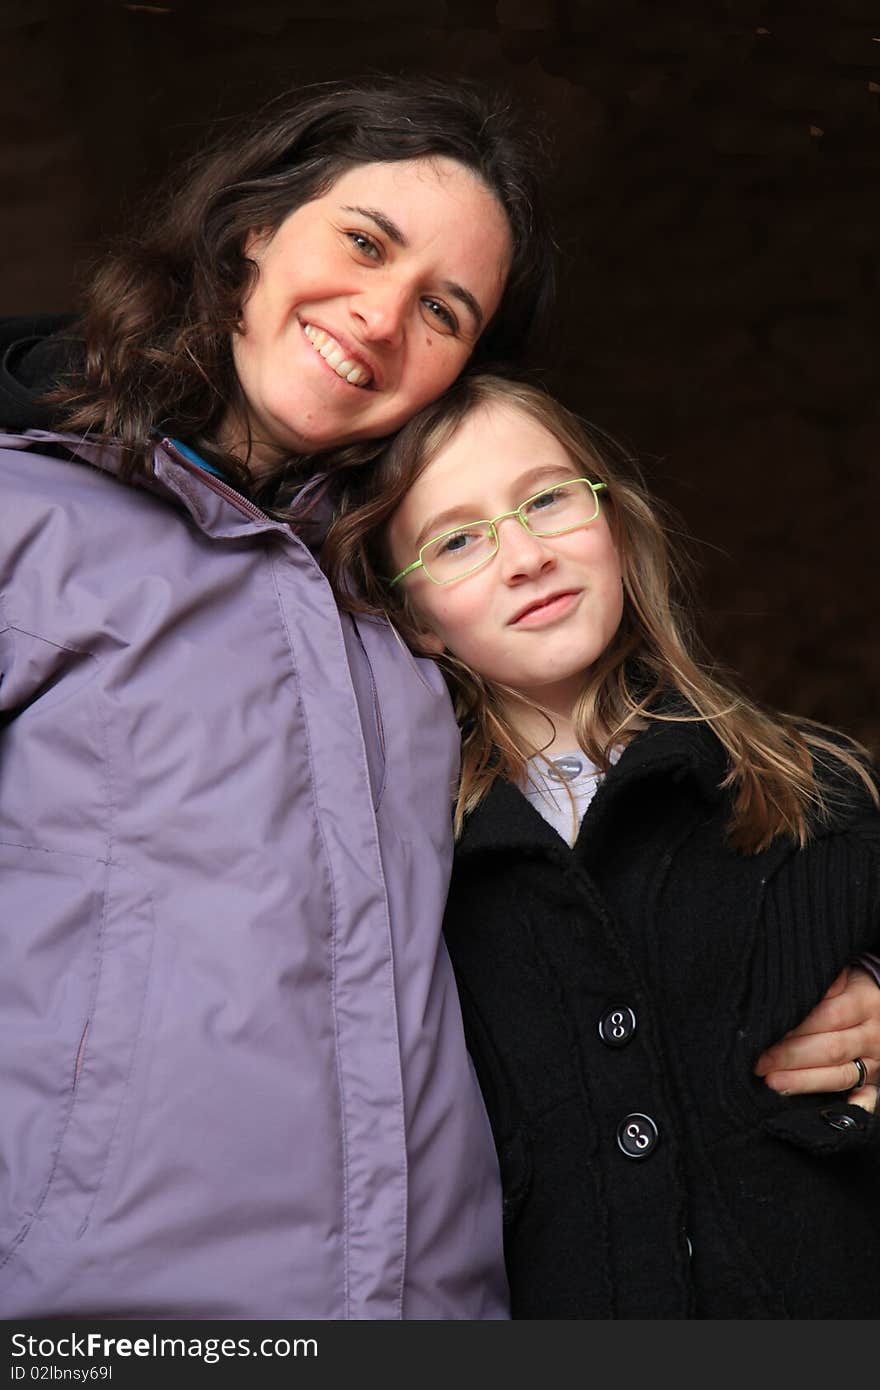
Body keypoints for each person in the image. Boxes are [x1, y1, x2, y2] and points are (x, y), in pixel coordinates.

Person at [1, 76, 876, 1323]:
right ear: (252, 229)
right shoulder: (29, 515)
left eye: (445, 309)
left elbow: (638, 906)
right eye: (363, 240)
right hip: (115, 1317)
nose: (378, 315)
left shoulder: (393, 615)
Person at [324, 372, 880, 1318]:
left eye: (546, 500)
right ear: (414, 617)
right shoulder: (400, 863)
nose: (524, 556)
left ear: (614, 522)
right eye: (457, 541)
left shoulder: (812, 787)